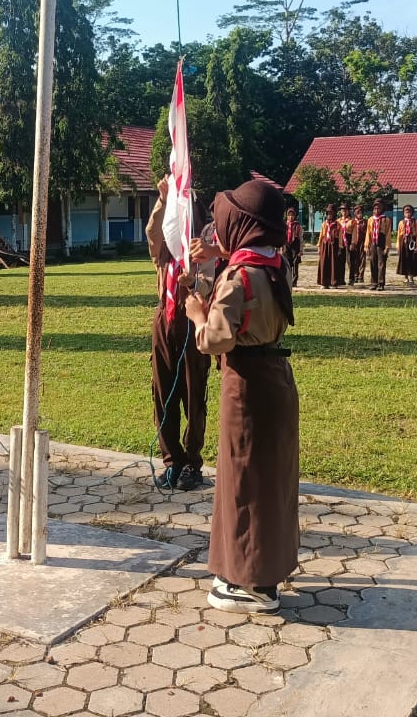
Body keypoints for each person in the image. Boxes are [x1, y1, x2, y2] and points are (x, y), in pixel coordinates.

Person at [184, 179, 298, 614]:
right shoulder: (275, 263)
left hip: (246, 386)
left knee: (242, 483)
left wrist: (197, 313)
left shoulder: (236, 278)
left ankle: (247, 584)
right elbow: (250, 264)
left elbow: (214, 340)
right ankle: (266, 573)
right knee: (270, 482)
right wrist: (220, 256)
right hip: (277, 381)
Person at [145, 176, 213, 491]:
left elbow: (209, 285)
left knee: (193, 393)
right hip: (165, 319)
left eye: (182, 212)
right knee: (163, 392)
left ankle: (192, 462)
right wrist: (163, 199)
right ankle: (171, 460)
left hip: (192, 318)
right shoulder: (164, 251)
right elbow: (152, 232)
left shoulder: (204, 248)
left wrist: (192, 283)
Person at [363, 199, 391, 290]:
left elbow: (388, 234)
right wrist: (366, 245)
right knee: (373, 262)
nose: (376, 210)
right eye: (375, 208)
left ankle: (381, 283)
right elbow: (368, 233)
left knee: (381, 263)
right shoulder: (371, 219)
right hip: (373, 243)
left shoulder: (386, 219)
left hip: (382, 242)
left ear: (382, 209)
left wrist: (387, 247)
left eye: (379, 208)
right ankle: (373, 282)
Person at [316, 204, 340, 289]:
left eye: (331, 213)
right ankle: (324, 283)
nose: (329, 215)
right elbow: (321, 236)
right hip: (325, 245)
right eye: (328, 213)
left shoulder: (337, 224)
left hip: (334, 245)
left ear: (334, 214)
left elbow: (340, 236)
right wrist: (319, 246)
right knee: (324, 263)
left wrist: (340, 246)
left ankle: (333, 282)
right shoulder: (324, 224)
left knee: (333, 263)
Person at [396, 204, 417, 287]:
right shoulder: (401, 223)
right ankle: (405, 276)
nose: (408, 214)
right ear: (403, 213)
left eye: (409, 212)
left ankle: (411, 277)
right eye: (406, 212)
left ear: (412, 213)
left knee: (412, 259)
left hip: (412, 242)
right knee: (404, 259)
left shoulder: (416, 222)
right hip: (404, 242)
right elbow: (399, 235)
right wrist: (398, 245)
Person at [345, 204, 368, 285]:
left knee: (362, 259)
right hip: (353, 242)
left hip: (362, 242)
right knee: (353, 260)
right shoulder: (352, 222)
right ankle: (355, 274)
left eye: (361, 212)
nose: (360, 214)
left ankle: (361, 276)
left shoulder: (365, 222)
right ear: (354, 213)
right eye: (357, 212)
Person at [283, 207, 303, 288]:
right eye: (289, 215)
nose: (291, 217)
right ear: (287, 216)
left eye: (292, 215)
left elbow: (301, 238)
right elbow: (281, 237)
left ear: (295, 216)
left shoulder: (298, 226)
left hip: (295, 246)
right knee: (287, 263)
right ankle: (288, 280)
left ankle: (294, 281)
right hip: (286, 245)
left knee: (295, 264)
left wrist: (301, 250)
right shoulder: (284, 225)